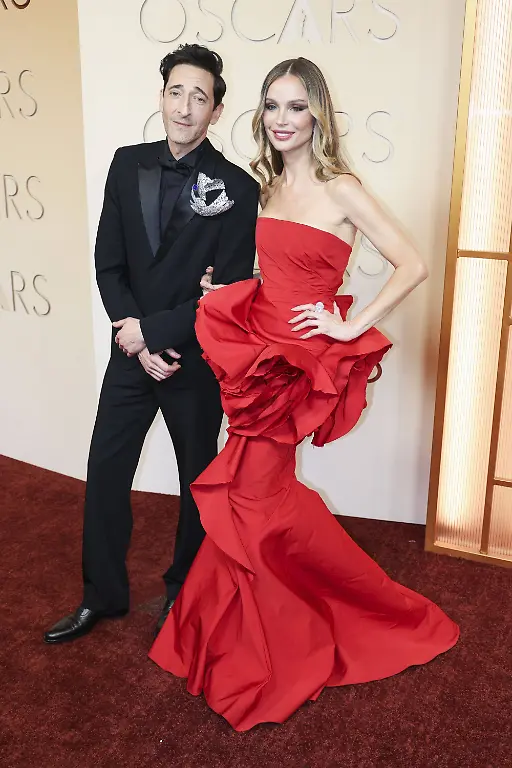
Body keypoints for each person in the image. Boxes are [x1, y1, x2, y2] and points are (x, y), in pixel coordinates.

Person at [149, 57, 459, 730]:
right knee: (246, 493)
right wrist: (223, 295)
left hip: (294, 364)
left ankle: (311, 630)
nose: (282, 120)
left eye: (295, 106)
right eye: (271, 106)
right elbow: (281, 269)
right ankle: (237, 627)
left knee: (256, 497)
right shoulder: (266, 186)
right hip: (257, 349)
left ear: (317, 112)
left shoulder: (339, 185)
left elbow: (414, 261)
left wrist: (348, 323)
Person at [43, 44, 259, 644]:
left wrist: (161, 336)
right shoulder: (124, 163)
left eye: (200, 98)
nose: (185, 107)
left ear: (217, 111)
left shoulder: (238, 188)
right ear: (161, 96)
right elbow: (108, 264)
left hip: (193, 362)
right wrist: (135, 339)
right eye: (176, 93)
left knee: (197, 482)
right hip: (130, 352)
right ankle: (102, 595)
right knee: (106, 472)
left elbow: (232, 290)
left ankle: (182, 595)